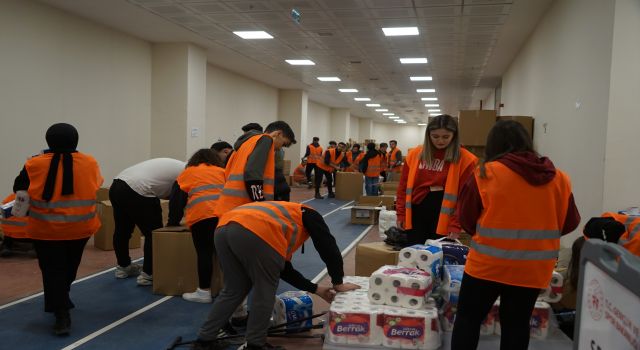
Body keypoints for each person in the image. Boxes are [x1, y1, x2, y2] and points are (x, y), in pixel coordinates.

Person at [451, 120, 581, 350]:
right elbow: (570, 222)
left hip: (487, 266)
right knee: (516, 324)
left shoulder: (484, 173)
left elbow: (467, 220)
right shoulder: (559, 178)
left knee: (468, 319)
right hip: (532, 269)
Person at [193, 201, 360, 350]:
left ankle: (204, 339)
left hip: (223, 228)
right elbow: (328, 246)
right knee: (264, 289)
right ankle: (255, 344)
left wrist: (316, 289)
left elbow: (284, 270)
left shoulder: (281, 218)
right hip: (254, 229)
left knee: (233, 289)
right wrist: (338, 282)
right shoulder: (309, 214)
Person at [13, 123, 102, 336]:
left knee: (53, 270)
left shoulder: (33, 164)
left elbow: (18, 188)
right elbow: (96, 184)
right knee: (69, 269)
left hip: (45, 230)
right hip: (80, 229)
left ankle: (61, 313)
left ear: (48, 141)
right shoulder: (90, 162)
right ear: (76, 140)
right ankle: (61, 301)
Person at [396, 115, 478, 245]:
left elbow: (465, 197)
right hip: (416, 210)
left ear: (454, 136)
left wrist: (456, 224)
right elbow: (403, 187)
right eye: (435, 136)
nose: (440, 141)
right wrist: (400, 213)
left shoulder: (466, 159)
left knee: (437, 258)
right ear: (428, 135)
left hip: (444, 216)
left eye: (446, 137)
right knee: (415, 255)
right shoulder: (414, 154)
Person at [109, 158, 185, 285]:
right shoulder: (188, 173)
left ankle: (123, 268)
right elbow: (177, 202)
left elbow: (168, 193)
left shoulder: (178, 166)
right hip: (139, 189)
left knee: (122, 230)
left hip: (117, 184)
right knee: (153, 234)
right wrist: (173, 223)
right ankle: (148, 274)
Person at [173, 149, 225, 303]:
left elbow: (178, 199)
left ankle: (204, 292)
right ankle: (230, 290)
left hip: (201, 216)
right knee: (225, 254)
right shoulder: (223, 171)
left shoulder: (188, 172)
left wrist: (172, 222)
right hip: (224, 216)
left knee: (204, 253)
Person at [215, 121, 296, 217]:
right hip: (245, 209)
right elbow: (252, 174)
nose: (280, 149)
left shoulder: (244, 145)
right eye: (283, 144)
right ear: (278, 134)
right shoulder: (266, 139)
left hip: (230, 206)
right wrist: (260, 203)